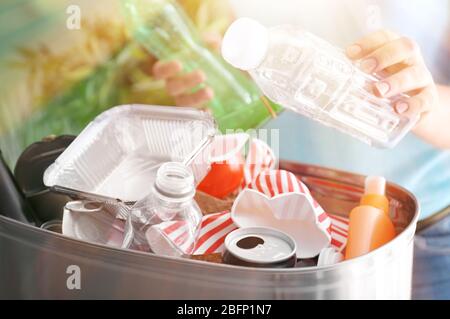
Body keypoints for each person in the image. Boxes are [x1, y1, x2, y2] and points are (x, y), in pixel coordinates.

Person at [152, 0, 450, 299]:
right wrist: (220, 87)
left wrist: (422, 105)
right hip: (284, 221)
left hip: (423, 230)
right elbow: (262, 80)